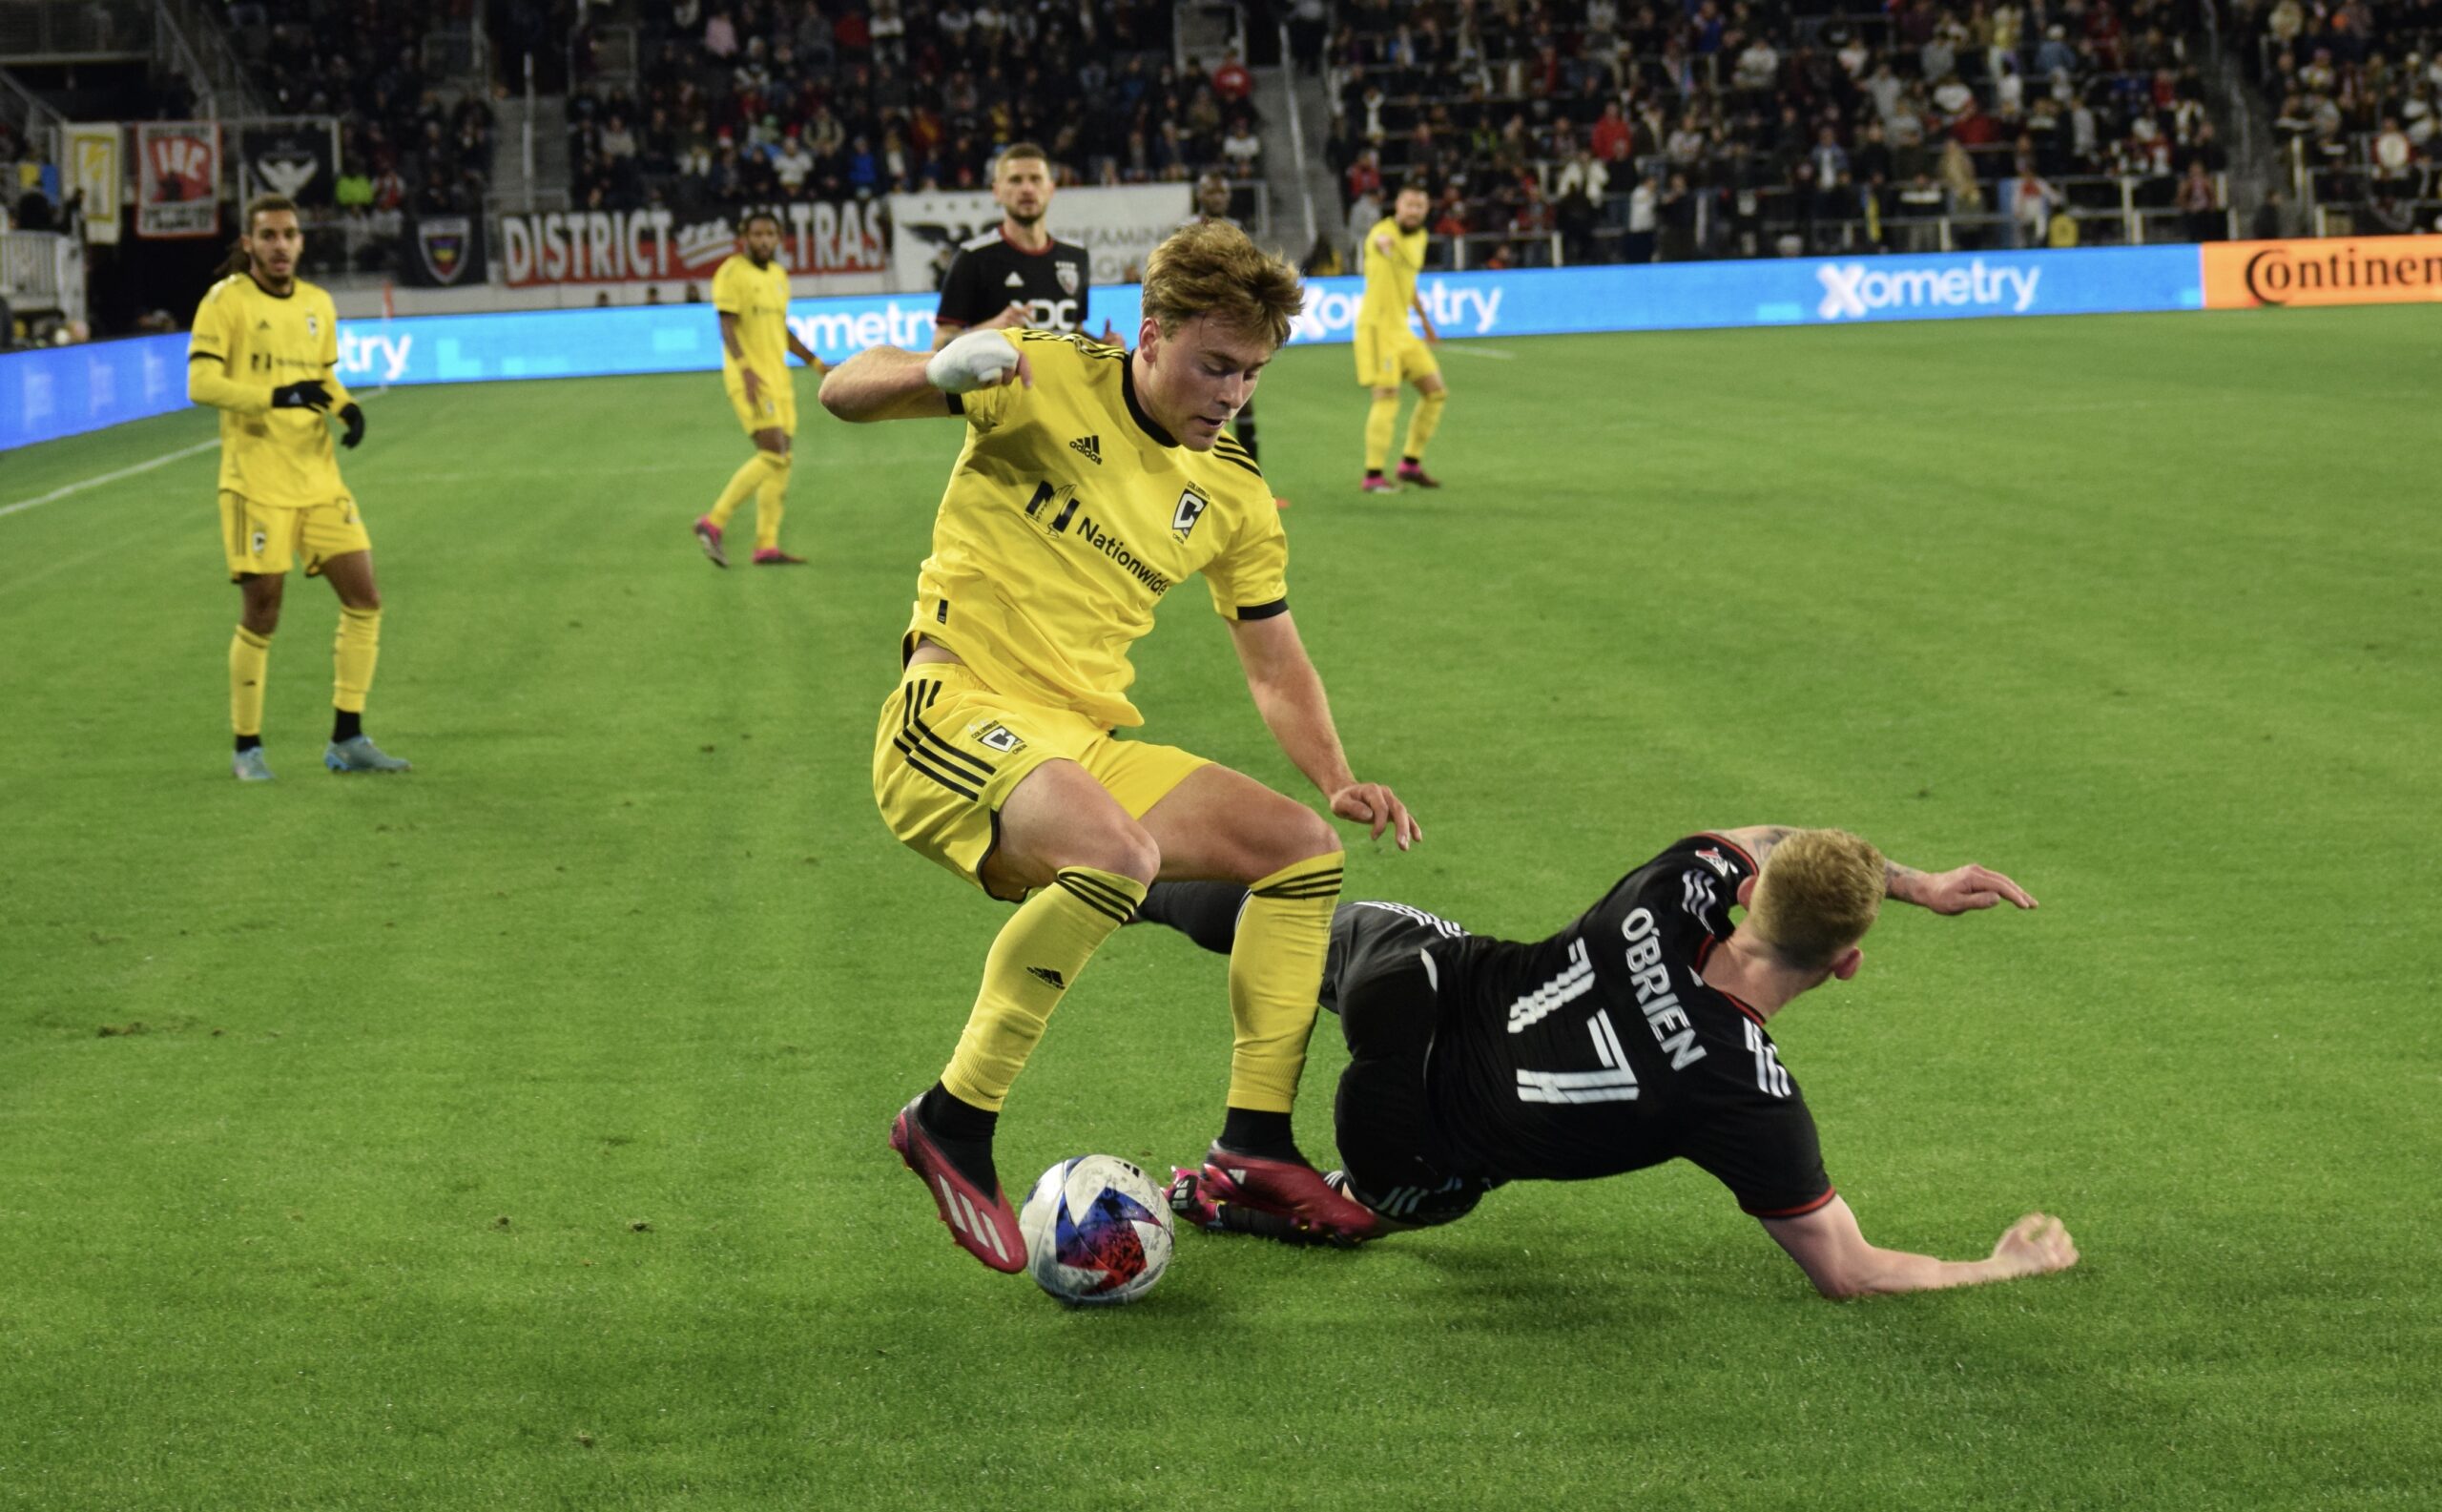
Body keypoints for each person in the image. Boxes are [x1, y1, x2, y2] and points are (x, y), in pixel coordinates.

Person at [817, 221, 1421, 1274]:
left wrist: (1336, 775)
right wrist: (935, 370)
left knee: (1296, 848)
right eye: (1214, 364)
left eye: (1252, 374)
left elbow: (1274, 664)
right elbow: (842, 389)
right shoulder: (1043, 375)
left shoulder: (1230, 494)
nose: (1233, 394)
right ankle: (951, 1118)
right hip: (951, 710)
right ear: (1151, 336)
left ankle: (1253, 1151)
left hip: (1076, 742)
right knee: (1120, 853)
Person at [1151, 825, 2080, 1299]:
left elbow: (1763, 839)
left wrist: (1912, 881)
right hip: (1409, 1147)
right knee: (1413, 1190)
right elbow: (1848, 1267)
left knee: (1297, 924)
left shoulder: (1676, 888)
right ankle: (1267, 1197)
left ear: (1749, 892)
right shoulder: (1750, 1098)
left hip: (1412, 990)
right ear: (1845, 964)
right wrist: (1998, 1266)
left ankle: (1118, 882)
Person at [187, 194, 409, 781]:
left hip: (318, 479)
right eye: (268, 235)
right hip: (255, 482)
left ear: (301, 242)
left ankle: (348, 738)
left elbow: (321, 375)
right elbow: (201, 381)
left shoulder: (317, 303)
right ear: (248, 243)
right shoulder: (225, 302)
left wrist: (347, 407)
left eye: (289, 234)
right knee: (263, 612)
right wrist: (274, 396)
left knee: (365, 598)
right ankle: (247, 747)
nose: (280, 245)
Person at [691, 211, 822, 568]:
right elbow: (727, 325)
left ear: (778, 238)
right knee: (773, 454)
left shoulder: (779, 276)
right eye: (758, 234)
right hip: (750, 378)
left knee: (783, 460)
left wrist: (815, 363)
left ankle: (766, 545)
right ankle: (712, 522)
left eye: (770, 234)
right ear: (744, 238)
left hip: (779, 378)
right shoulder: (732, 272)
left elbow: (782, 330)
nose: (764, 240)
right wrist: (745, 369)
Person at [930, 142, 1093, 352]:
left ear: (1051, 188)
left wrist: (1102, 345)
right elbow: (939, 345)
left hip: (1058, 385)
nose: (1027, 188)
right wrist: (992, 330)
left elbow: (1073, 331)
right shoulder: (972, 257)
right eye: (1016, 180)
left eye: (1035, 179)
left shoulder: (1076, 256)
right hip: (999, 384)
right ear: (997, 191)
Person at [1356, 182, 1449, 494]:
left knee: (1435, 393)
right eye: (1408, 204)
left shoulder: (1420, 237)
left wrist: (1425, 323)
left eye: (1419, 206)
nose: (1413, 211)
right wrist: (1383, 245)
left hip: (1402, 330)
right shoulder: (1382, 233)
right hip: (1378, 328)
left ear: (1426, 210)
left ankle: (1410, 463)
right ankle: (1373, 475)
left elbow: (1409, 283)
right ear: (1397, 205)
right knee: (1387, 398)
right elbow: (1379, 243)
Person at [1184, 174, 1262, 463]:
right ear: (1200, 196)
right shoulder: (1187, 230)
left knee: (1242, 400)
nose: (1217, 197)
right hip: (1196, 326)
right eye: (1211, 192)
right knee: (1196, 399)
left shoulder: (1238, 229)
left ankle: (1252, 476)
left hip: (1232, 325)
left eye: (1222, 192)